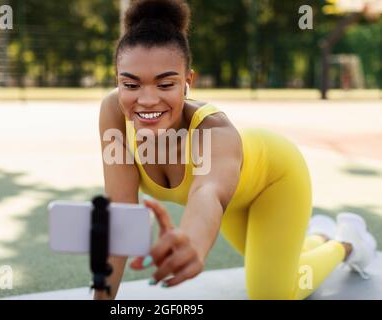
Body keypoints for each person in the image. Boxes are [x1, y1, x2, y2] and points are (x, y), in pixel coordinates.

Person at [96, 0, 377, 300]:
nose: (147, 100)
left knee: (272, 293)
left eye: (165, 84)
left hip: (275, 178)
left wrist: (192, 241)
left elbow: (208, 194)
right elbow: (122, 213)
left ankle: (348, 243)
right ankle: (317, 234)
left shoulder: (213, 130)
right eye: (131, 85)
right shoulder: (114, 112)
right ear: (118, 81)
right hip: (234, 202)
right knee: (277, 261)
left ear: (188, 82)